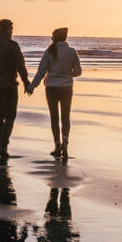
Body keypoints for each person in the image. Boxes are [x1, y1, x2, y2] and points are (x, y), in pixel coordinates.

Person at [28, 27, 82, 158]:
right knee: (65, 117)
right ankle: (65, 141)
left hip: (51, 88)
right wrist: (68, 74)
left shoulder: (50, 51)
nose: (51, 38)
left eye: (52, 36)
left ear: (55, 37)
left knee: (54, 117)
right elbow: (78, 72)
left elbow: (41, 72)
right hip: (66, 88)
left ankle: (57, 145)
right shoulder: (72, 52)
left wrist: (32, 86)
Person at [0, 18, 30, 158]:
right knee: (10, 116)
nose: (12, 32)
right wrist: (26, 82)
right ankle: (3, 146)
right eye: (11, 29)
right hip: (9, 84)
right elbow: (21, 66)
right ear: (7, 29)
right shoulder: (13, 46)